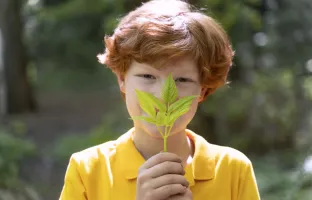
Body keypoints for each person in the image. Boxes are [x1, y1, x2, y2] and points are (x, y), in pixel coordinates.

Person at [59, 0, 261, 199]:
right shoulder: (88, 170)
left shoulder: (233, 169)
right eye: (148, 77)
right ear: (122, 78)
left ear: (202, 89)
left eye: (182, 80)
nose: (163, 97)